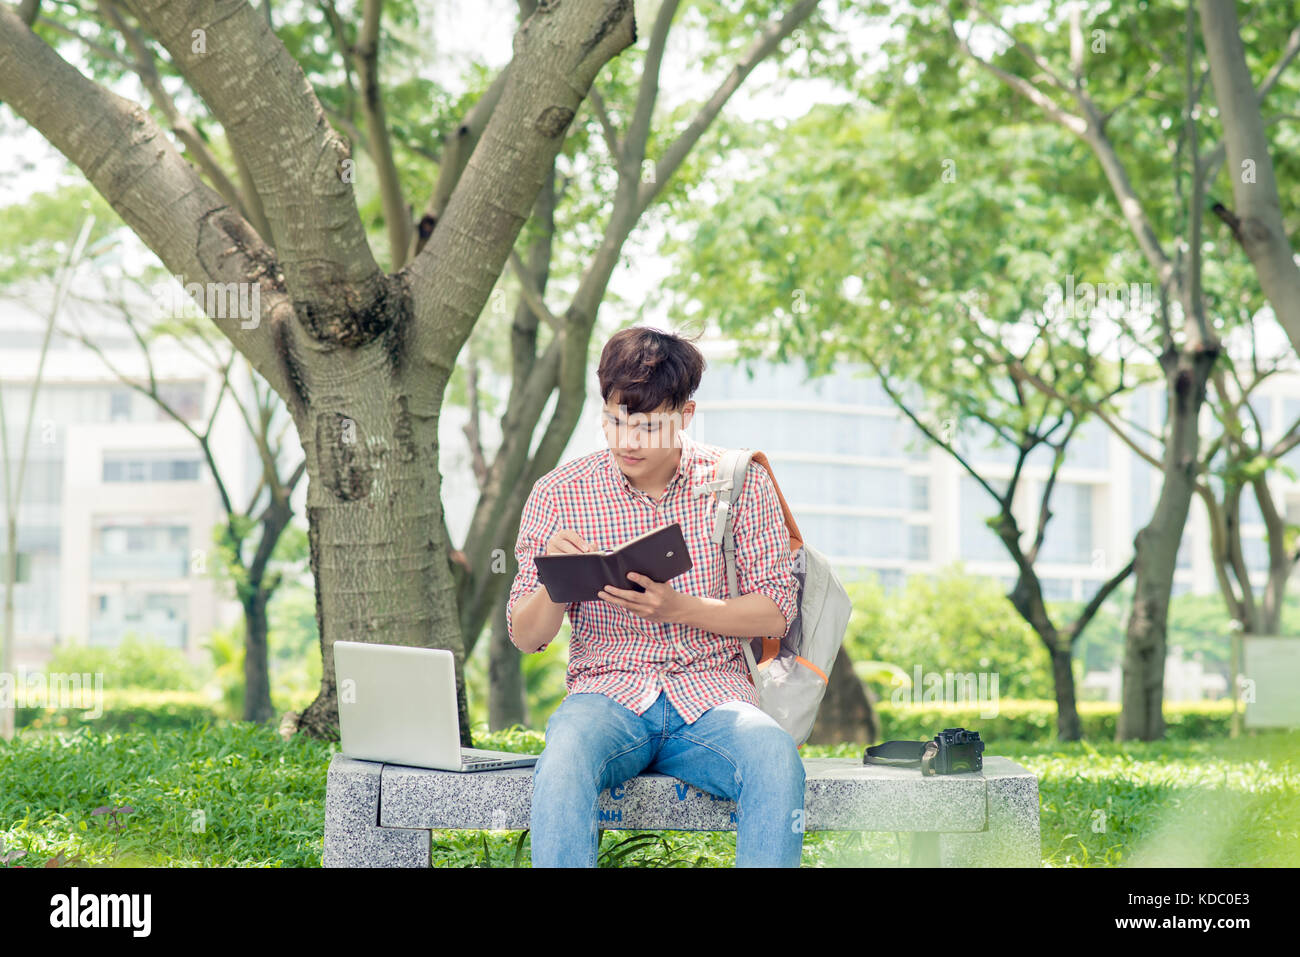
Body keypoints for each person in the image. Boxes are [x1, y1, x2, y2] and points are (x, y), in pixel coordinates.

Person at [506, 325, 805, 867]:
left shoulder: (739, 484)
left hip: (714, 698)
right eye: (615, 420)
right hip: (606, 697)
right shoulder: (560, 493)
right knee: (566, 753)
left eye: (646, 426)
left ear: (685, 416)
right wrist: (556, 579)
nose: (627, 441)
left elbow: (776, 612)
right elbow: (526, 638)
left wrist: (677, 607)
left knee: (774, 755)